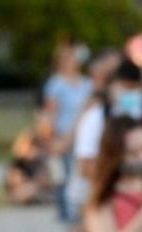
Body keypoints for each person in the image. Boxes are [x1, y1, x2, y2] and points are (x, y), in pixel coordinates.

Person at [69, 59, 142, 232]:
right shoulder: (96, 117)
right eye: (125, 87)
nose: (130, 93)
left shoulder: (135, 117)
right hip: (91, 194)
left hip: (122, 196)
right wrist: (118, 175)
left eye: (135, 88)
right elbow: (84, 166)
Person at [43, 40, 95, 222]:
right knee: (63, 174)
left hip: (83, 135)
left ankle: (77, 210)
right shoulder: (56, 84)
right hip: (63, 135)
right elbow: (51, 112)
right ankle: (66, 213)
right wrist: (51, 137)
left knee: (80, 173)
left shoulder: (87, 84)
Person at [4, 126, 53, 206]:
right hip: (26, 191)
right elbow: (15, 185)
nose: (33, 150)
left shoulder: (41, 163)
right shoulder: (18, 166)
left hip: (40, 192)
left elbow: (46, 182)